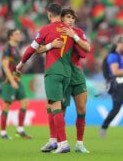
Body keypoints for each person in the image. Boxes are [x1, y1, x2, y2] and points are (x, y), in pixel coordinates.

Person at [16, 3, 75, 153]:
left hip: (53, 72)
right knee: (50, 106)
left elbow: (32, 49)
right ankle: (53, 141)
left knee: (55, 107)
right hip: (67, 73)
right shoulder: (69, 30)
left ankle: (63, 143)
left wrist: (21, 63)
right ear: (61, 14)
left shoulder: (45, 29)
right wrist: (51, 46)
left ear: (49, 15)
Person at [39, 8, 90, 153]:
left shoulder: (78, 32)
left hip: (77, 73)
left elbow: (88, 48)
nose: (71, 20)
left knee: (82, 109)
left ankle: (79, 144)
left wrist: (75, 37)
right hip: (63, 73)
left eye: (73, 17)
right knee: (58, 109)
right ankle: (54, 141)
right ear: (61, 19)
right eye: (68, 17)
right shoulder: (55, 32)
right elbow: (42, 49)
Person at [0, 29, 31, 139]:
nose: (19, 35)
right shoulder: (7, 48)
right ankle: (3, 132)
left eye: (19, 33)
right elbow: (5, 66)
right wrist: (12, 81)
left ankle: (20, 130)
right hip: (9, 81)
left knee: (25, 102)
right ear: (10, 36)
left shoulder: (16, 49)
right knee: (7, 105)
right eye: (17, 34)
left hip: (18, 80)